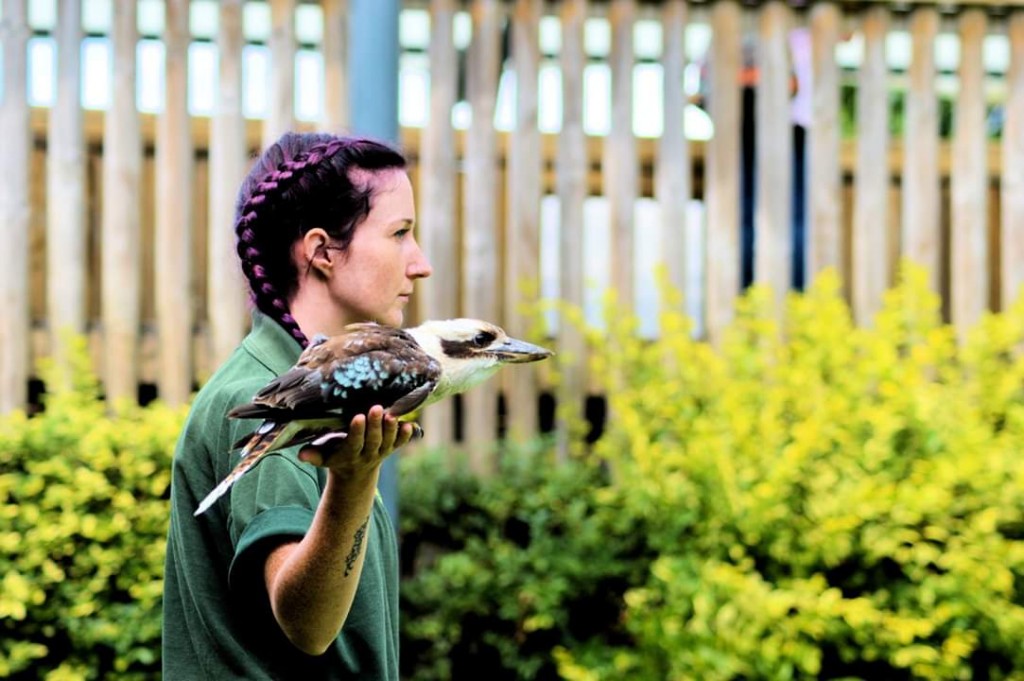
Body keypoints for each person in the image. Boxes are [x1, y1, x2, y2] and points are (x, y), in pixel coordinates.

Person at [162, 131, 432, 679]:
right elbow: (308, 625)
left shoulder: (304, 384)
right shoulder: (272, 400)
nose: (420, 263)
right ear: (322, 251)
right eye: (400, 233)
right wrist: (355, 481)